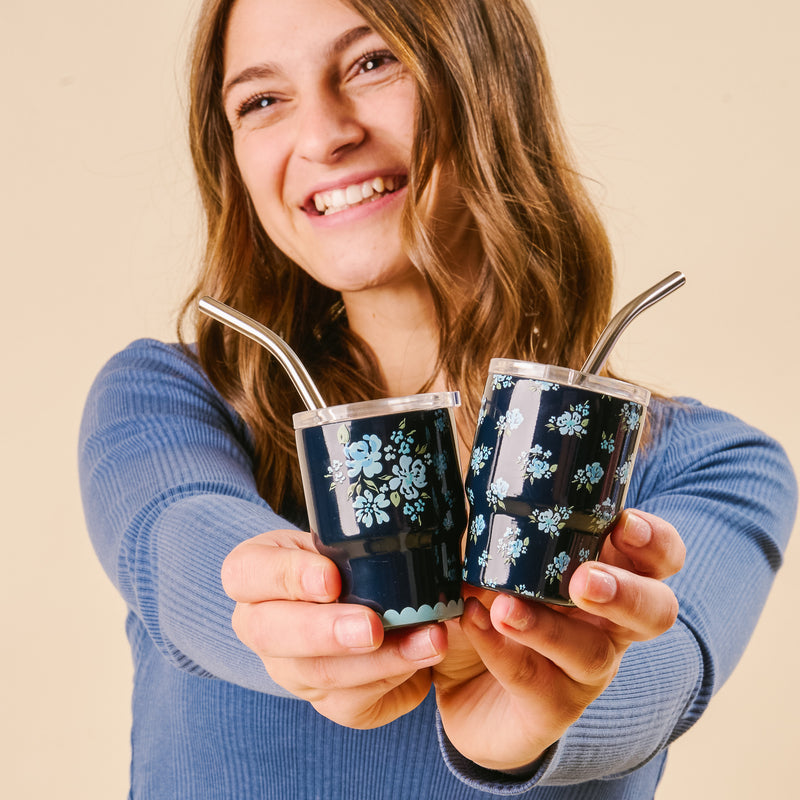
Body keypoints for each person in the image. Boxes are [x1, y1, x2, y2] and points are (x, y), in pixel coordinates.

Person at [78, 0, 796, 797]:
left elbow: (665, 663)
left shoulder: (712, 465)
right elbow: (181, 547)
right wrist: (312, 622)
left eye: (372, 63)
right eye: (262, 101)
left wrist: (550, 692)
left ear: (488, 83)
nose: (322, 136)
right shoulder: (171, 400)